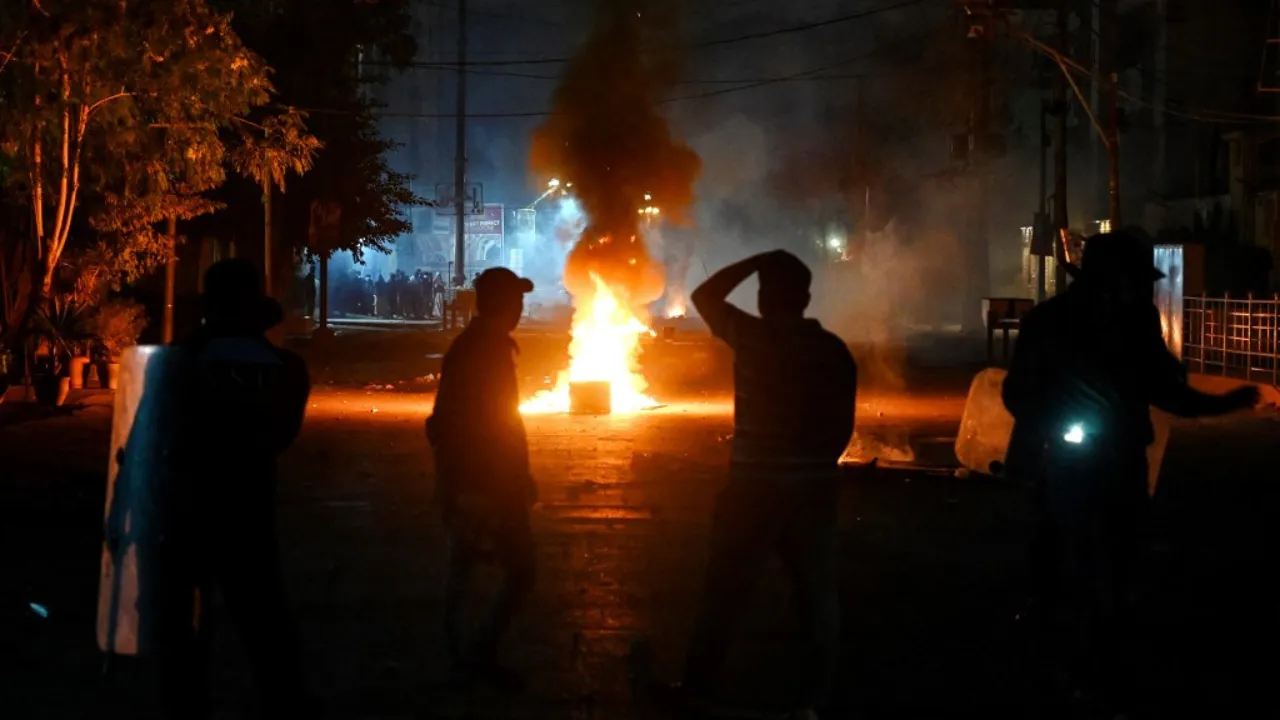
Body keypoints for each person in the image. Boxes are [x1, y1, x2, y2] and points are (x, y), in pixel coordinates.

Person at [1002, 231, 1259, 719]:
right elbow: (1018, 394)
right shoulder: (1049, 323)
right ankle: (1062, 652)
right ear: (1106, 279)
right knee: (1067, 556)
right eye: (1134, 280)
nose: (1141, 291)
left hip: (1121, 460)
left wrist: (1218, 403)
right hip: (1069, 460)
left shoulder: (1138, 322)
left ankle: (1103, 658)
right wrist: (1049, 426)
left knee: (1118, 562)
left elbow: (1165, 386)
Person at [661, 250, 858, 719]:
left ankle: (697, 690)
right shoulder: (833, 350)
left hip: (752, 487)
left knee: (724, 592)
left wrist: (757, 261)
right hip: (813, 487)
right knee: (816, 596)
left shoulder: (751, 336)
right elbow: (842, 427)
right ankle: (812, 702)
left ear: (764, 297)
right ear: (807, 298)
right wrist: (813, 465)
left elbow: (704, 295)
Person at [158, 258, 311, 718]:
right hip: (250, 511)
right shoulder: (285, 368)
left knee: (184, 629)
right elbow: (282, 436)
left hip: (188, 512)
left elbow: (161, 436)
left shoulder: (177, 365)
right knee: (265, 624)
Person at [426, 266, 538, 693]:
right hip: (483, 482)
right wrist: (466, 485)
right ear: (502, 304)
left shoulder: (487, 346)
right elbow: (460, 423)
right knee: (483, 571)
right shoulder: (478, 350)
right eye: (518, 301)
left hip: (492, 480)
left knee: (479, 570)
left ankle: (469, 657)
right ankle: (467, 660)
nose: (521, 309)